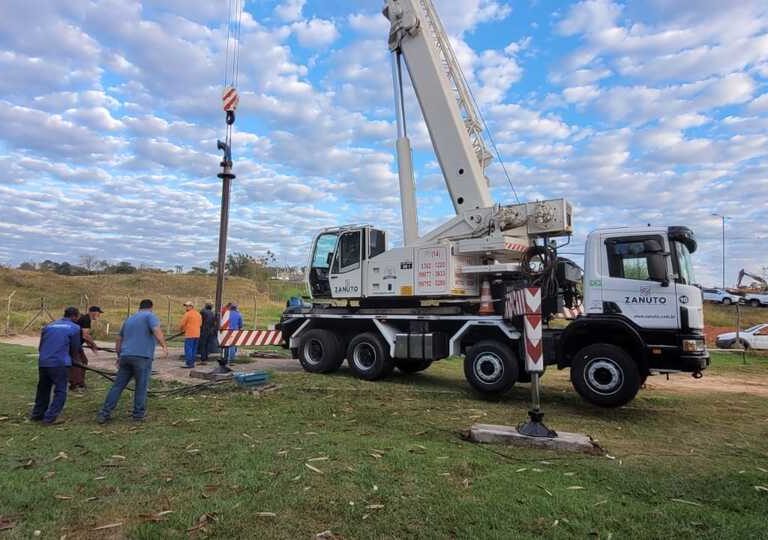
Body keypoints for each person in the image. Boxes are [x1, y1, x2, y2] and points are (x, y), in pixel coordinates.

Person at [97, 299, 168, 424]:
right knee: (141, 386)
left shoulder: (129, 319)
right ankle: (138, 415)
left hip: (126, 356)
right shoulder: (150, 316)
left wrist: (119, 356)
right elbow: (156, 330)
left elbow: (119, 339)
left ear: (139, 307)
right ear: (151, 307)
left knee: (118, 386)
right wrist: (164, 346)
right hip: (142, 357)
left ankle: (104, 413)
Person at [31, 307, 81, 425]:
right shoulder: (74, 327)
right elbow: (75, 348)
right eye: (77, 317)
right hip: (60, 363)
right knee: (60, 391)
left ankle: (37, 414)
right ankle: (50, 418)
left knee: (43, 388)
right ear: (74, 316)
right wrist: (75, 362)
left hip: (44, 362)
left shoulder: (49, 326)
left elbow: (41, 346)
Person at [69, 306, 103, 392]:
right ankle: (75, 384)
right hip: (74, 344)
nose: (99, 315)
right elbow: (85, 335)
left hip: (76, 344)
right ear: (93, 312)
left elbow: (84, 337)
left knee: (83, 361)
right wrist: (94, 344)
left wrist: (92, 347)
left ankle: (80, 382)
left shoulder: (85, 319)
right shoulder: (86, 319)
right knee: (78, 363)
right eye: (98, 313)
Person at [179, 301, 202, 368]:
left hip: (189, 334)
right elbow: (200, 324)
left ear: (191, 306)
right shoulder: (198, 314)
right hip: (197, 334)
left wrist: (181, 330)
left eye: (187, 306)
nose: (186, 307)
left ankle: (188, 363)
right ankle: (192, 363)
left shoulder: (187, 314)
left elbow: (182, 324)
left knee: (188, 349)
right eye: (186, 306)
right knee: (194, 349)